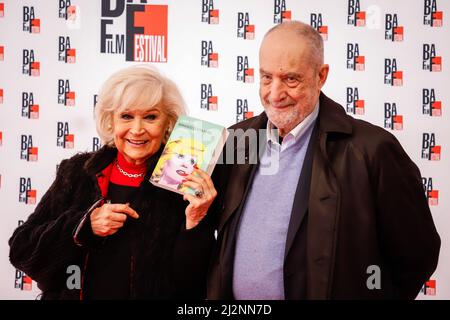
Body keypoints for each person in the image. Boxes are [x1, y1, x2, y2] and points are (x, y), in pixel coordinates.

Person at [207, 21, 441, 300]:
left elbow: (416, 254)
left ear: (321, 76)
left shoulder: (372, 149)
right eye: (267, 77)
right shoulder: (237, 139)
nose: (274, 94)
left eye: (290, 79)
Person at [9, 65, 217, 300]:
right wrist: (84, 227)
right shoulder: (77, 173)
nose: (137, 130)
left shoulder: (183, 182)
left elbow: (195, 283)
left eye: (150, 117)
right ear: (111, 121)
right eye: (126, 116)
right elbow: (22, 250)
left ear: (168, 122)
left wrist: (196, 221)